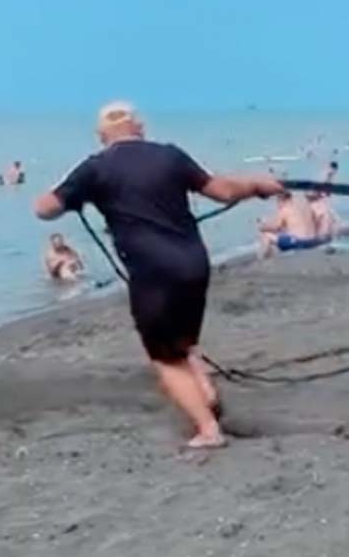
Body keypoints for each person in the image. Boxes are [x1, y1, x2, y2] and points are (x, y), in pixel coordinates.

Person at [34, 101, 282, 449]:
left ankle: (208, 430)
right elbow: (224, 191)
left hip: (153, 272)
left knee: (164, 358)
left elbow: (44, 209)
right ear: (140, 127)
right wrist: (256, 184)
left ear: (101, 136)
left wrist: (73, 197)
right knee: (182, 344)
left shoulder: (94, 169)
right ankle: (207, 395)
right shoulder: (170, 156)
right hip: (194, 264)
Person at [257, 191, 326, 258]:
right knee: (282, 235)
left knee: (266, 236)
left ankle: (263, 259)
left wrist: (262, 226)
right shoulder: (304, 206)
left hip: (298, 242)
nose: (277, 205)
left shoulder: (285, 209)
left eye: (277, 201)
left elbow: (276, 227)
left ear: (281, 200)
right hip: (312, 241)